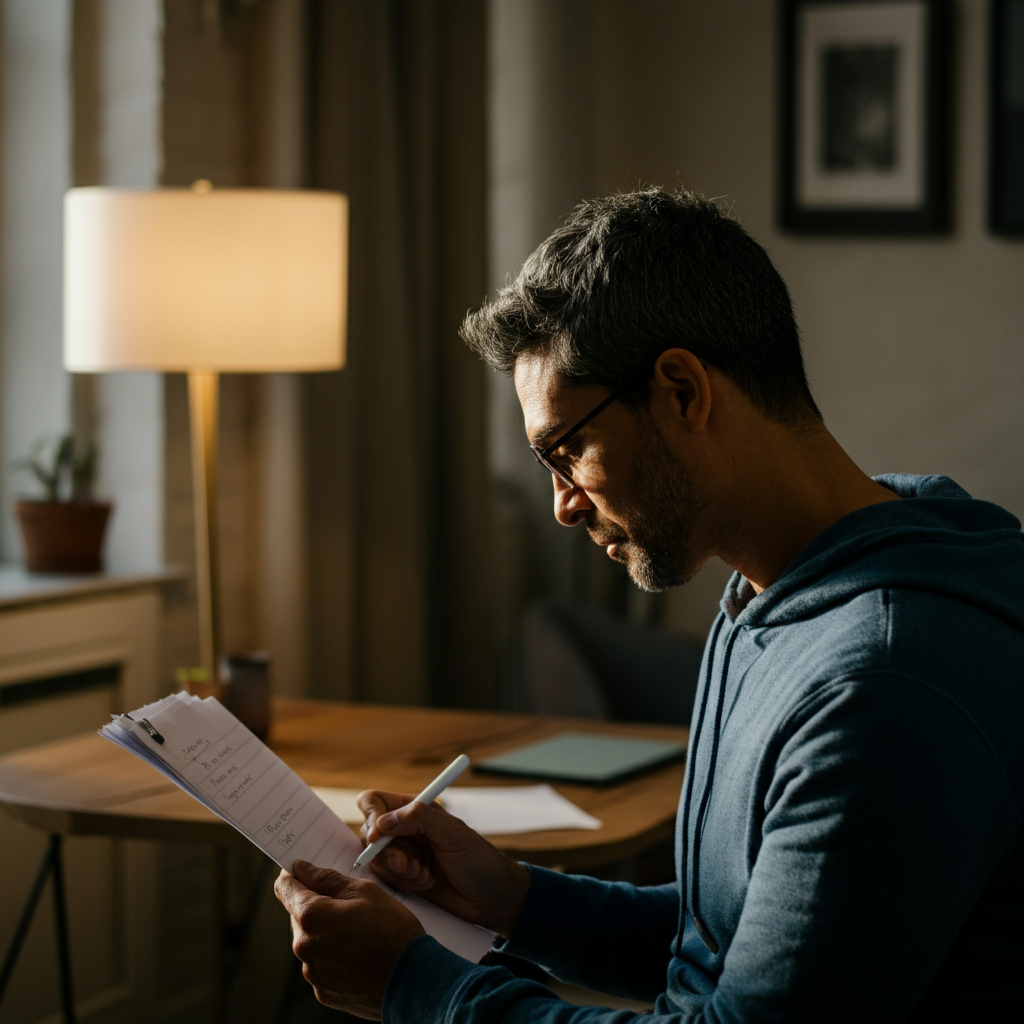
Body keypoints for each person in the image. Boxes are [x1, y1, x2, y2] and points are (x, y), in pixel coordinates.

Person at [275, 189, 1023, 1022]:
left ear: (681, 390)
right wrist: (512, 897)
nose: (561, 502)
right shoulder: (774, 595)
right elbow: (727, 940)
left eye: (567, 449)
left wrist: (416, 985)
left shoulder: (885, 681)